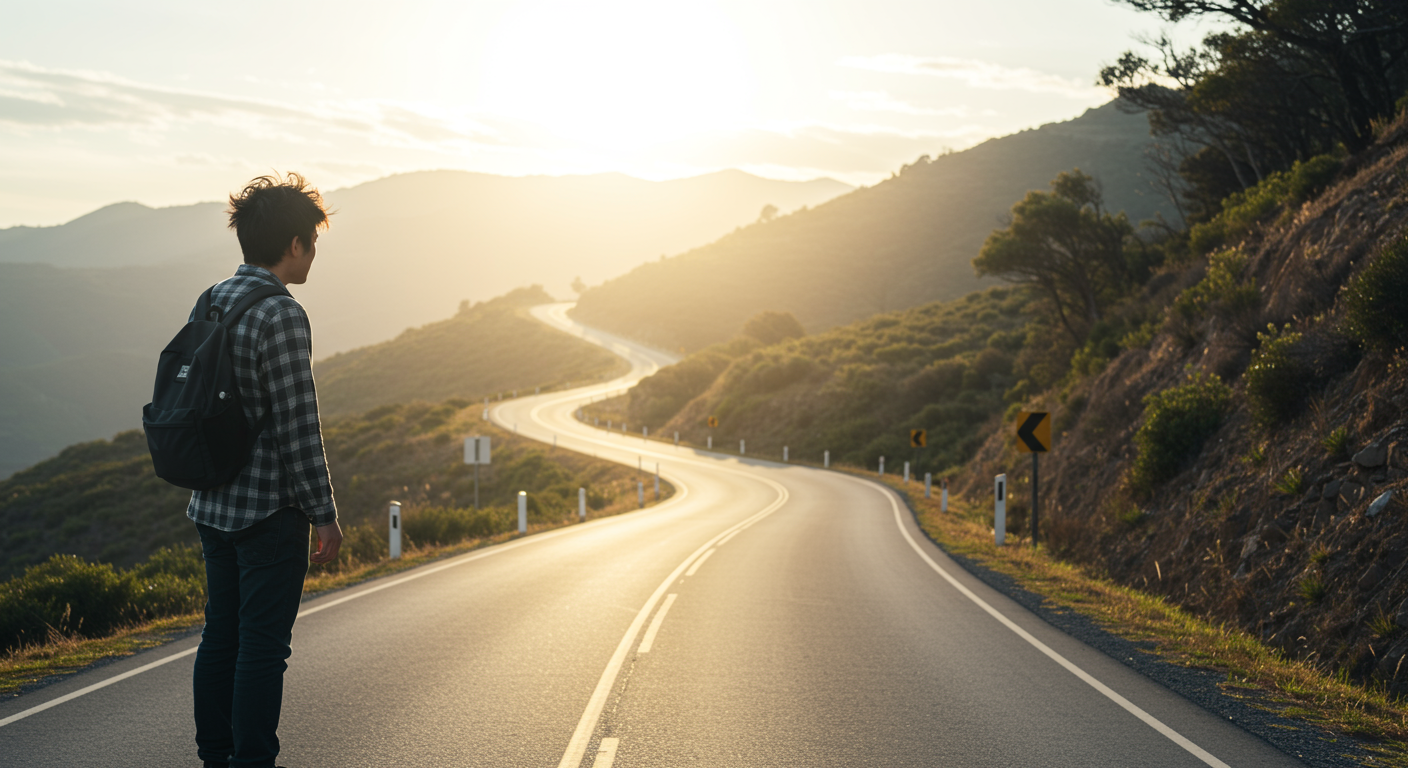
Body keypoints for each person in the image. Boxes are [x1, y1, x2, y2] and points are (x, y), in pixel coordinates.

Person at [189, 172, 343, 768]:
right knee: (261, 648)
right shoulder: (282, 314)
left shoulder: (213, 297)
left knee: (219, 637)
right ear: (295, 244)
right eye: (312, 242)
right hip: (266, 512)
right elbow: (297, 426)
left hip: (211, 502)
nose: (313, 254)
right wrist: (323, 514)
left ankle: (215, 755)